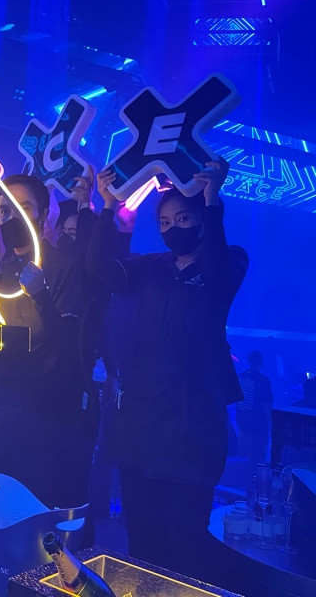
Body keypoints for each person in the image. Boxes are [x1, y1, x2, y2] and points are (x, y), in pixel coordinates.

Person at [86, 160, 248, 581]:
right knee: (142, 536)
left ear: (202, 219)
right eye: (164, 222)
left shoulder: (229, 259)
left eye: (183, 218)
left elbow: (216, 279)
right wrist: (107, 208)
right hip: (141, 421)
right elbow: (98, 272)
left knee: (185, 536)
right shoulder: (151, 266)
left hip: (195, 422)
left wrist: (212, 202)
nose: (172, 227)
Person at [0, 174, 96, 511]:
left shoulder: (63, 267)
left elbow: (72, 348)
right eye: (5, 210)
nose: (12, 217)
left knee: (26, 524)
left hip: (34, 429)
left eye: (23, 207)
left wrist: (40, 295)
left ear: (43, 213)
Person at [234, 350, 274, 466]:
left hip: (242, 422)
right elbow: (267, 404)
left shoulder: (240, 377)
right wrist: (271, 424)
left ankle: (241, 475)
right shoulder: (263, 379)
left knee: (241, 456)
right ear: (261, 362)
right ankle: (255, 475)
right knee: (257, 459)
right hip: (258, 424)